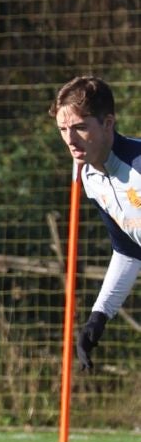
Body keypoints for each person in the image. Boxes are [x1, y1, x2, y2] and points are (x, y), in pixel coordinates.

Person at [52, 76, 141, 372]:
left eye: (79, 127)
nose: (70, 139)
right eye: (63, 129)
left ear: (108, 124)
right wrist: (99, 316)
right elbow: (128, 250)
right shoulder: (89, 178)